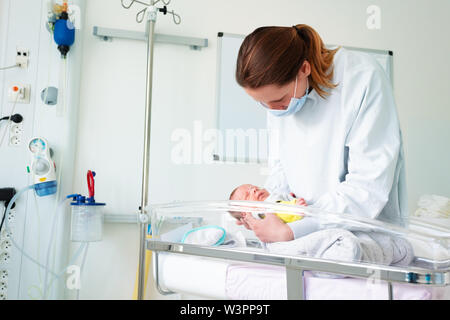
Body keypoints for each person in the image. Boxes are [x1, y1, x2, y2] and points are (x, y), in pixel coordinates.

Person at [234, 24, 407, 243]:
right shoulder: (278, 97)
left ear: (304, 69)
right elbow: (281, 170)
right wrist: (263, 209)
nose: (274, 110)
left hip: (363, 236)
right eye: (262, 103)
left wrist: (299, 227)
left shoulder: (362, 77)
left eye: (278, 100)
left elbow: (368, 188)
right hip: (299, 232)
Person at [229, 183, 306, 223]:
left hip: (296, 207)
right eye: (247, 195)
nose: (254, 189)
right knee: (275, 212)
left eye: (255, 187)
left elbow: (282, 198)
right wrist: (294, 207)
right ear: (245, 213)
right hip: (293, 213)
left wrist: (289, 196)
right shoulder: (257, 213)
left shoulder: (271, 196)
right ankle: (295, 212)